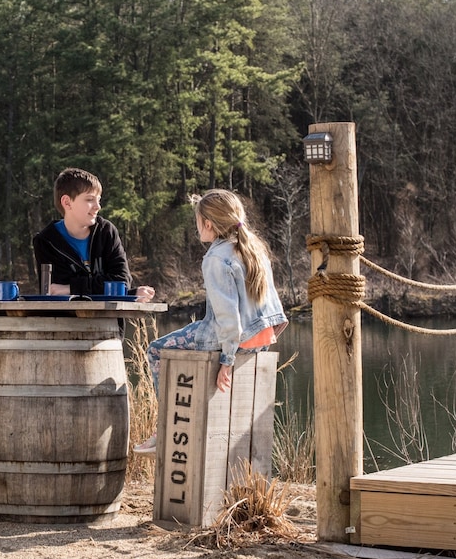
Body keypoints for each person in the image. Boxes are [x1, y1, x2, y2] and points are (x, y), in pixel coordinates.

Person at [133, 189, 288, 454]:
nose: (197, 229)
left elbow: (229, 320)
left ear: (208, 224)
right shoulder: (254, 249)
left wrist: (226, 362)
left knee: (156, 350)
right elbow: (272, 308)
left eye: (197, 222)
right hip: (262, 338)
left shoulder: (217, 258)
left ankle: (166, 427)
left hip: (230, 337)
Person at [32, 167, 155, 301]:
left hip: (108, 320)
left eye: (98, 200)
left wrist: (70, 288)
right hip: (66, 321)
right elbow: (57, 295)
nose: (98, 206)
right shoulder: (47, 242)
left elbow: (122, 281)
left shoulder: (106, 232)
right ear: (67, 202)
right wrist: (127, 293)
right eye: (90, 199)